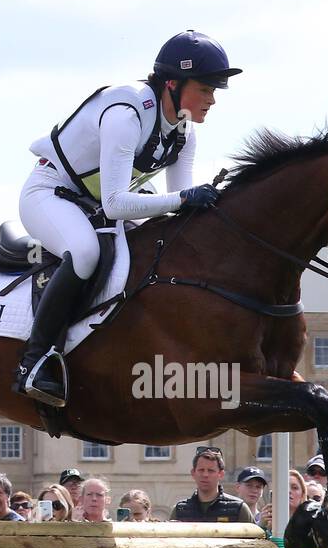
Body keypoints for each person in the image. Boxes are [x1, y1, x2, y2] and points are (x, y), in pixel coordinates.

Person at [14, 31, 240, 406]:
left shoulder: (184, 132)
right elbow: (120, 203)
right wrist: (185, 198)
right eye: (205, 88)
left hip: (97, 204)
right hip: (50, 192)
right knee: (85, 253)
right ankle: (35, 361)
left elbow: (176, 207)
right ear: (173, 83)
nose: (212, 99)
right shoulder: (127, 114)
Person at [170, 446, 253, 523]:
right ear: (193, 473)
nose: (205, 475)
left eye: (211, 471)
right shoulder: (179, 510)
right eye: (201, 470)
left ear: (221, 474)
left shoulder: (239, 509)